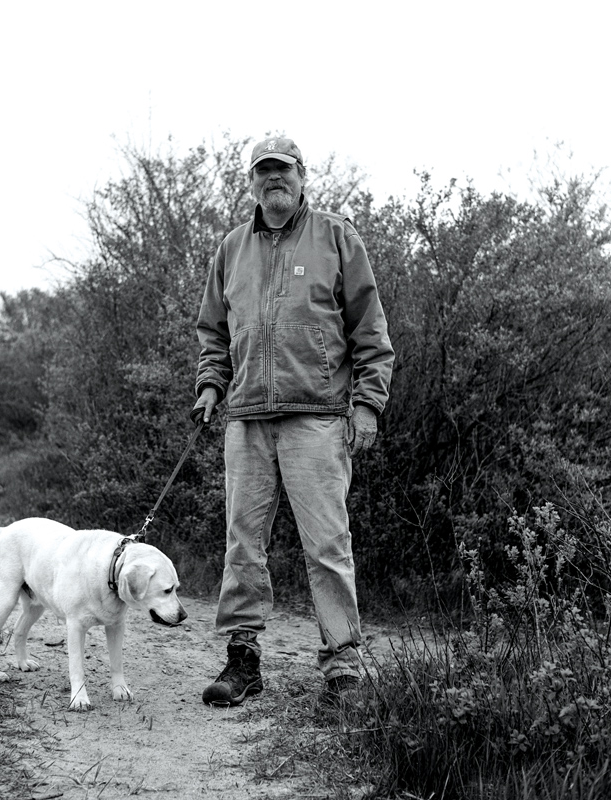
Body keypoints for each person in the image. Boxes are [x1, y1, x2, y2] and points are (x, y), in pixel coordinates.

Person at [192, 136, 394, 708]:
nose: (272, 179)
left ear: (303, 176)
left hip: (319, 417)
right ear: (251, 183)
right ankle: (243, 660)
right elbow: (213, 331)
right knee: (242, 543)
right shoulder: (232, 248)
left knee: (327, 543)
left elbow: (371, 333)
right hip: (247, 417)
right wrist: (211, 383)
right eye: (263, 172)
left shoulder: (336, 236)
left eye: (282, 170)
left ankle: (343, 663)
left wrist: (367, 403)